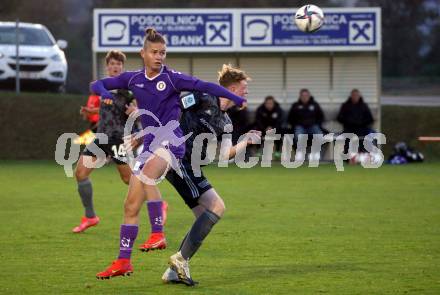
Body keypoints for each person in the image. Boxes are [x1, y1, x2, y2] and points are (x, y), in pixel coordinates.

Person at [92, 28, 246, 279]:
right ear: (143, 53)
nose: (159, 56)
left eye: (163, 52)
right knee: (130, 205)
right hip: (151, 146)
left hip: (172, 143)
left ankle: (158, 233)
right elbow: (96, 84)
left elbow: (206, 85)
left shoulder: (173, 79)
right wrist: (106, 94)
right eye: (154, 52)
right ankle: (123, 262)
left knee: (146, 179)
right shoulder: (132, 79)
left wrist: (234, 98)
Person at [160, 64, 261, 286]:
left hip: (191, 166)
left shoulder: (225, 122)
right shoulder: (203, 97)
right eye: (244, 88)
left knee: (203, 217)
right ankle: (180, 260)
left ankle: (174, 272)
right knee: (218, 207)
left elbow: (225, 155)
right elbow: (174, 105)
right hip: (178, 158)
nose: (246, 93)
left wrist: (245, 141)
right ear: (232, 88)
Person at [73, 50, 141, 233]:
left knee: (129, 179)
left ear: (122, 67)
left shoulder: (128, 89)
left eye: (118, 64)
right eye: (112, 64)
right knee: (80, 173)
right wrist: (91, 113)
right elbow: (105, 108)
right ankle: (90, 216)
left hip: (120, 140)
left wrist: (135, 111)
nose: (115, 67)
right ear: (107, 67)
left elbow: (138, 111)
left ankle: (158, 204)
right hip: (101, 138)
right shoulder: (103, 86)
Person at [287, 88, 324, 160]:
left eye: (306, 95)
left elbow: (321, 117)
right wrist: (295, 125)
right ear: (300, 96)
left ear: (309, 96)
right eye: (303, 96)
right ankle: (300, 153)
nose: (304, 97)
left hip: (312, 126)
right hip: (300, 126)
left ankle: (315, 153)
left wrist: (318, 124)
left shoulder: (315, 105)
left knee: (319, 135)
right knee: (297, 136)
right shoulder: (295, 105)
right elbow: (290, 118)